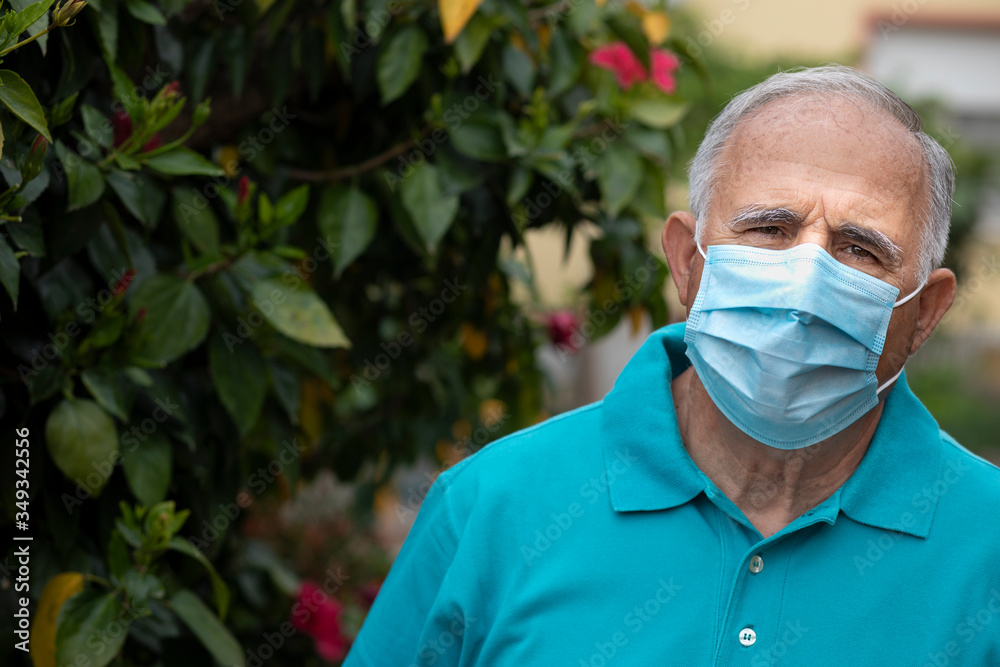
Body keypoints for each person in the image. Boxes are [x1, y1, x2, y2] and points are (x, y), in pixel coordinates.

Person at [343, 65, 1000, 666]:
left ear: (926, 311)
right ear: (688, 261)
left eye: (860, 248)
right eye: (769, 228)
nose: (806, 282)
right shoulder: (491, 508)